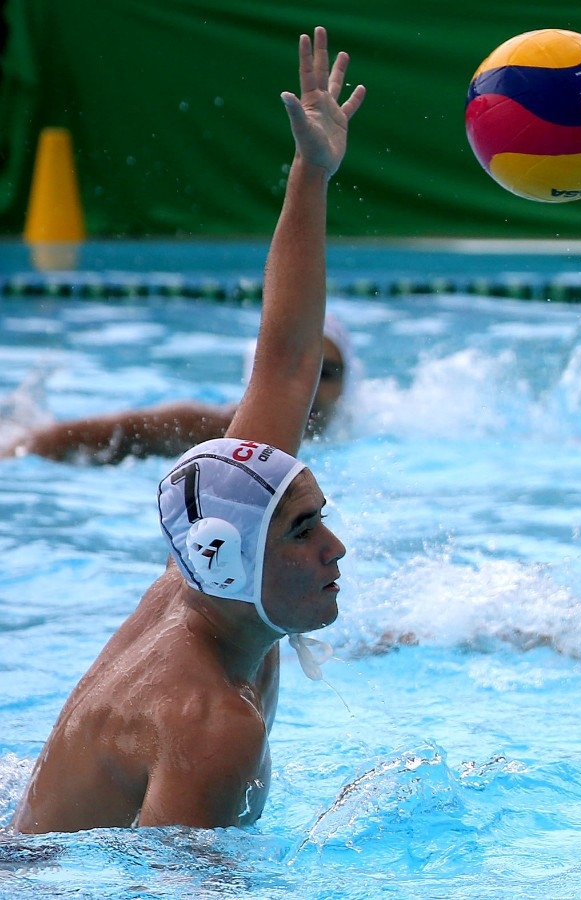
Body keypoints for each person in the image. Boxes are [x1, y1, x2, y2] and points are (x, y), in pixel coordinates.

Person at [10, 26, 362, 834]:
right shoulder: (210, 726)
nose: (335, 548)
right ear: (228, 560)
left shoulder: (207, 575)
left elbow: (286, 356)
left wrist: (312, 172)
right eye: (305, 529)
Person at [1, 314, 356, 463]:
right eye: (293, 373)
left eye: (327, 374)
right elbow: (94, 433)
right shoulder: (214, 430)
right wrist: (20, 448)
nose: (308, 391)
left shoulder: (365, 430)